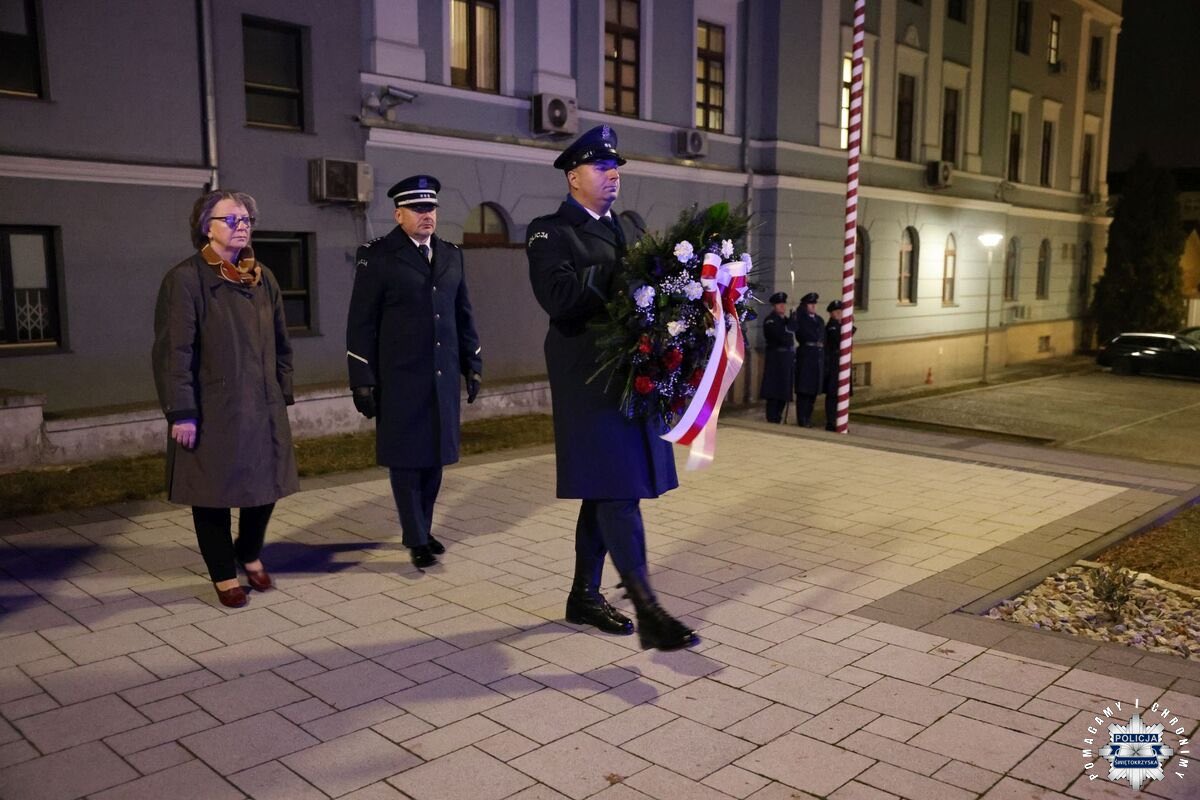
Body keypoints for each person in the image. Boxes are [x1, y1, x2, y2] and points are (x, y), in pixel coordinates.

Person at [526, 125, 698, 651]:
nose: (612, 174)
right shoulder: (550, 232)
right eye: (600, 167)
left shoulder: (630, 226)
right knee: (619, 491)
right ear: (573, 177)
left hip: (631, 375)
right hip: (588, 379)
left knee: (606, 489)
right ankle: (648, 609)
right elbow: (558, 298)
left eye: (615, 167)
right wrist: (623, 272)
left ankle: (584, 595)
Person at [152, 190, 299, 609]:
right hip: (211, 407)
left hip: (263, 404)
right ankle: (223, 573)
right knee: (211, 492)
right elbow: (174, 351)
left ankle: (248, 551)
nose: (241, 226)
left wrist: (282, 389)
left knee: (266, 487)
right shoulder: (185, 280)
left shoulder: (263, 277)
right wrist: (182, 411)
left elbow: (282, 342)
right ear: (206, 227)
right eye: (231, 219)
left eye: (246, 219)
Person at [346, 175, 482, 570]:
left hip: (441, 377)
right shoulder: (377, 256)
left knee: (435, 458)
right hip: (399, 379)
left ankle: (423, 527)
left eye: (432, 208)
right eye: (418, 209)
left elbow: (463, 314)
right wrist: (362, 379)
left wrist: (473, 364)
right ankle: (416, 536)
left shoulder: (451, 255)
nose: (428, 215)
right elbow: (361, 322)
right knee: (407, 461)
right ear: (398, 214)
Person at [760, 291, 795, 423]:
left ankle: (778, 416)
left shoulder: (785, 320)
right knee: (774, 391)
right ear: (774, 306)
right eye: (779, 304)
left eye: (783, 304)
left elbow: (793, 332)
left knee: (784, 391)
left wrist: (793, 321)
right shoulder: (771, 320)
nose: (782, 306)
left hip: (786, 359)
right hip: (776, 359)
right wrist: (788, 329)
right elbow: (780, 337)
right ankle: (772, 418)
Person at [793, 292, 825, 427]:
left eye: (814, 304)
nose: (813, 306)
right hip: (806, 356)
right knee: (804, 391)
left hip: (816, 357)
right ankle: (802, 419)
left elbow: (822, 335)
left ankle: (808, 417)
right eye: (810, 304)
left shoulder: (819, 320)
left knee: (813, 391)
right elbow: (801, 333)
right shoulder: (801, 319)